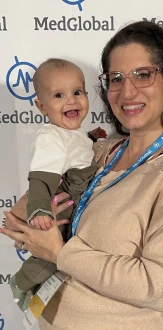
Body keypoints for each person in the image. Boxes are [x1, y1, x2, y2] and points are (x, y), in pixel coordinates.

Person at [1, 20, 163, 330]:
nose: (127, 90)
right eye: (116, 78)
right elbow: (40, 215)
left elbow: (158, 288)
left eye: (143, 75)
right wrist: (30, 227)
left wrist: (60, 253)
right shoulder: (98, 151)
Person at [8, 57, 107, 312]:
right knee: (59, 252)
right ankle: (22, 282)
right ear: (42, 106)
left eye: (77, 92)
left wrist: (93, 137)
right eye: (59, 95)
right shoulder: (50, 137)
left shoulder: (70, 131)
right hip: (66, 198)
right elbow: (41, 176)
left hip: (79, 190)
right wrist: (39, 209)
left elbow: (76, 148)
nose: (71, 100)